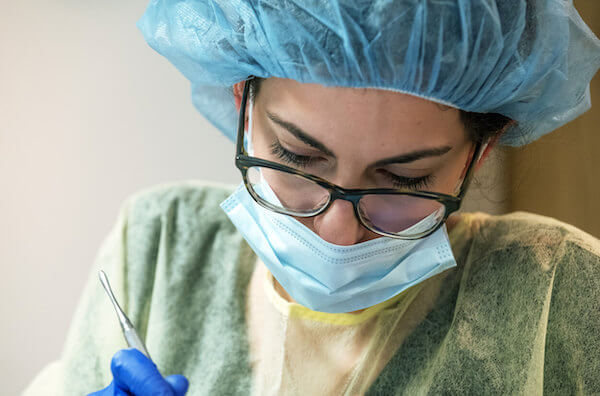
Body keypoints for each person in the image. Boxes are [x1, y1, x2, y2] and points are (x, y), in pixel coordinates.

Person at [24, 1, 600, 395]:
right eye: (298, 158)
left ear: (482, 149)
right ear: (241, 100)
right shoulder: (159, 244)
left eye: (403, 181)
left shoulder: (561, 291)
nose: (337, 234)